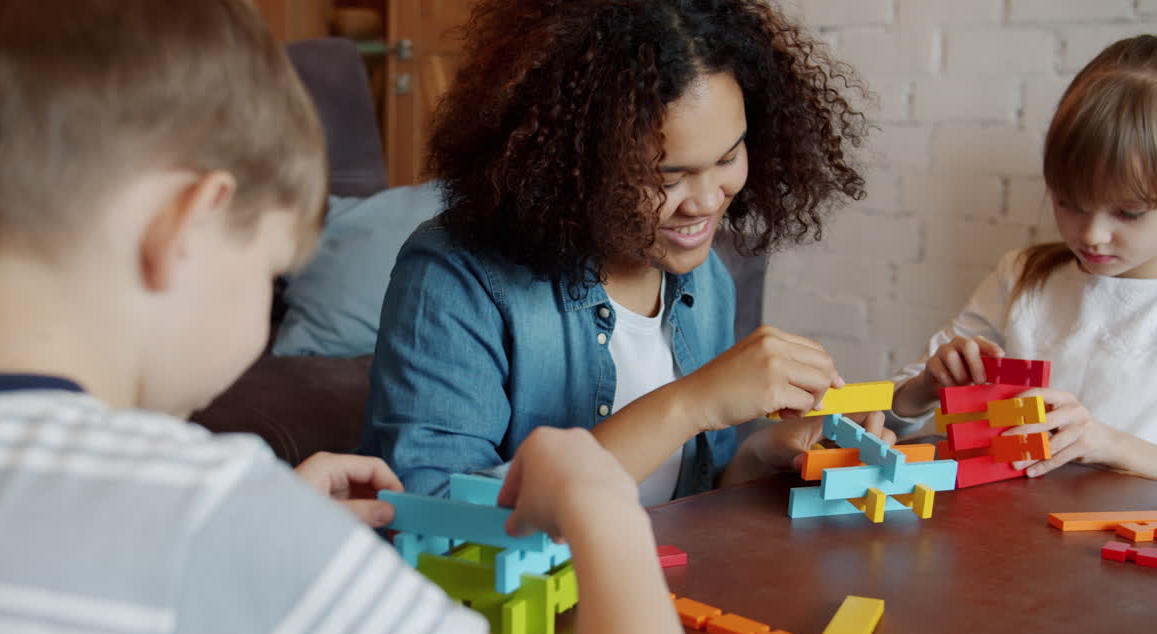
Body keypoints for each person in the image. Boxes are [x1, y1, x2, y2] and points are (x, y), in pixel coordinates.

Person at [0, 1, 701, 634]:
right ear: (188, 223)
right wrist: (601, 501)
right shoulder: (205, 520)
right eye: (273, 270)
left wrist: (271, 546)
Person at [360, 0, 889, 502]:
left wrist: (761, 455)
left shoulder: (706, 283)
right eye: (667, 176)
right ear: (573, 165)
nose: (706, 203)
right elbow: (437, 527)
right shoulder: (455, 278)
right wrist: (691, 403)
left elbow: (689, 500)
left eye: (728, 157)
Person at [889, 35, 1157, 480]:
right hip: (1004, 533)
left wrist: (1110, 444)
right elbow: (893, 417)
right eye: (1069, 203)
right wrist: (924, 388)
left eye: (1127, 213)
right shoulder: (1024, 276)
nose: (1092, 234)